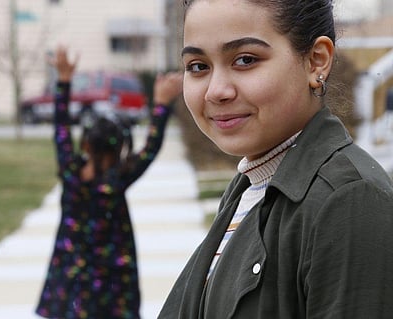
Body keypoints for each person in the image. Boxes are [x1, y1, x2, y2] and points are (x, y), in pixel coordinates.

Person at [158, 0, 393, 318]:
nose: (216, 91)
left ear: (315, 61)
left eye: (245, 60)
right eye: (198, 66)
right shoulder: (250, 186)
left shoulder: (349, 198)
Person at [36, 46, 183, 319]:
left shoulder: (72, 173)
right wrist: (161, 105)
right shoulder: (117, 180)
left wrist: (64, 81)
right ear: (120, 150)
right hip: (113, 283)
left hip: (72, 277)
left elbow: (60, 127)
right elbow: (151, 148)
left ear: (87, 144)